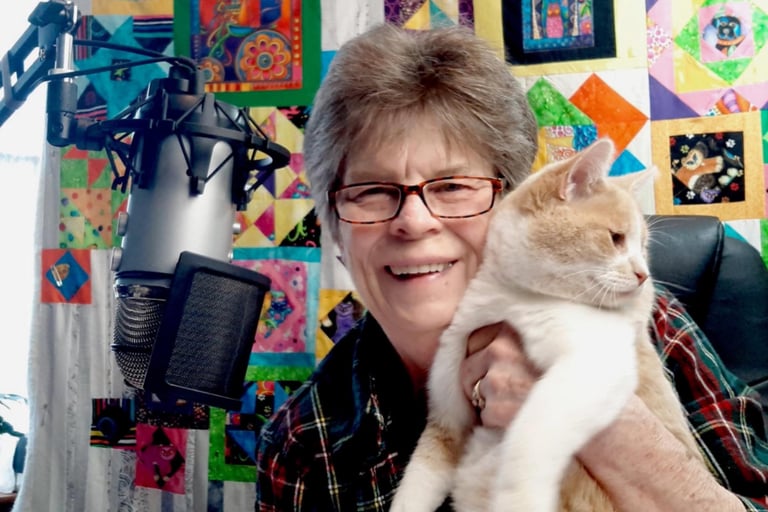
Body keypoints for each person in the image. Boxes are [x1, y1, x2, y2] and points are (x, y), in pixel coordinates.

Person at [254, 23, 768, 511]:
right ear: (337, 234)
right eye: (371, 191)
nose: (413, 221)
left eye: (453, 186)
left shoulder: (644, 321)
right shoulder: (306, 440)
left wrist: (611, 427)